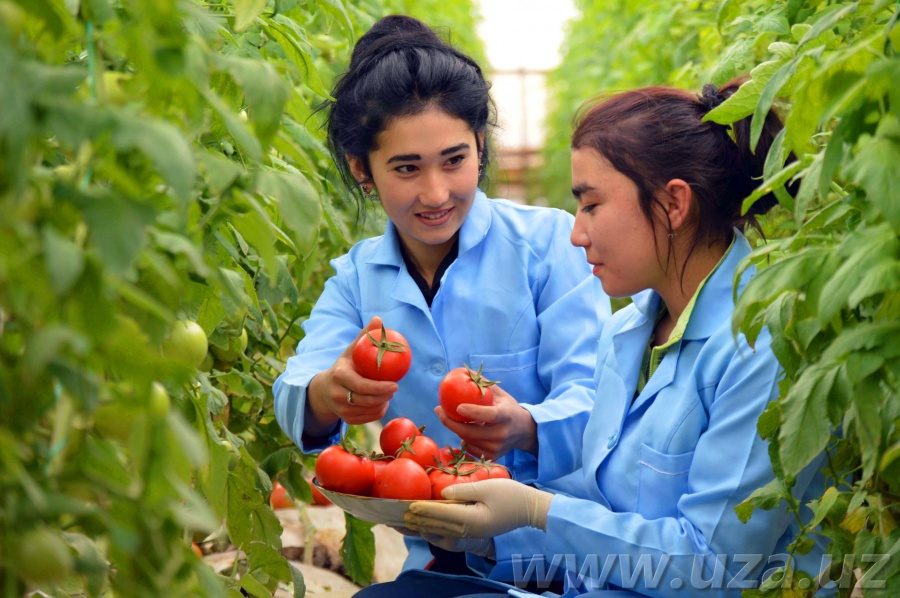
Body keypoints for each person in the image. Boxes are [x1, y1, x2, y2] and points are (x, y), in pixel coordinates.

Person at [352, 80, 831, 597]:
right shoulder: (629, 332)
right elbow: (603, 515)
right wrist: (485, 536)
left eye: (592, 205)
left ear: (673, 204)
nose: (576, 233)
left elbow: (710, 566)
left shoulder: (762, 344)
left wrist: (539, 510)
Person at [272, 14, 608, 575]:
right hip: (438, 561)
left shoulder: (549, 245)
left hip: (567, 557)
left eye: (455, 160)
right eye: (407, 168)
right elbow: (297, 389)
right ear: (363, 170)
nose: (436, 193)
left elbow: (598, 398)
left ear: (480, 145)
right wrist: (329, 392)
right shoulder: (357, 278)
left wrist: (526, 425)